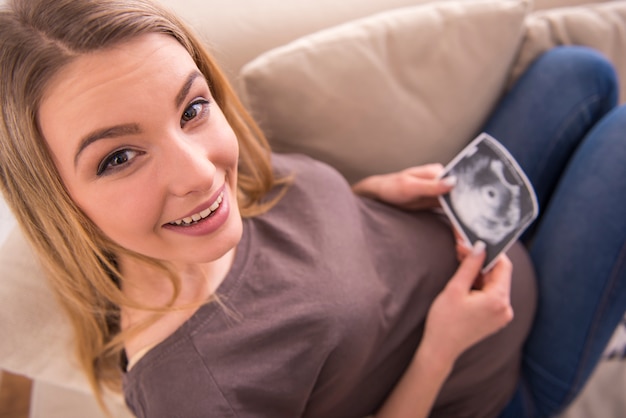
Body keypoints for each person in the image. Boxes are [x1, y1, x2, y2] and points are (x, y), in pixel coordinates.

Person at [0, 0, 624, 417]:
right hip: (493, 372)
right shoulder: (198, 391)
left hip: (470, 227)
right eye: (118, 158)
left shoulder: (215, 205)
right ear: (59, 200)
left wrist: (365, 199)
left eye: (191, 109)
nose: (201, 172)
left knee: (580, 73)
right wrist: (443, 344)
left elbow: (299, 270)